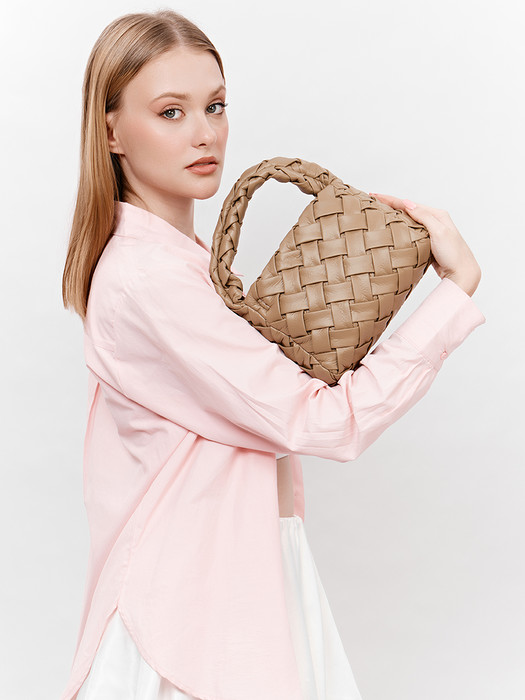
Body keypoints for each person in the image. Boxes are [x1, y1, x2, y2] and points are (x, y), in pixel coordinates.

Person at [59, 9, 485, 700]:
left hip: (222, 590)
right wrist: (454, 291)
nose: (205, 134)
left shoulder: (182, 265)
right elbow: (323, 423)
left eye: (215, 106)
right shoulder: (150, 278)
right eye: (170, 112)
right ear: (111, 132)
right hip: (187, 623)